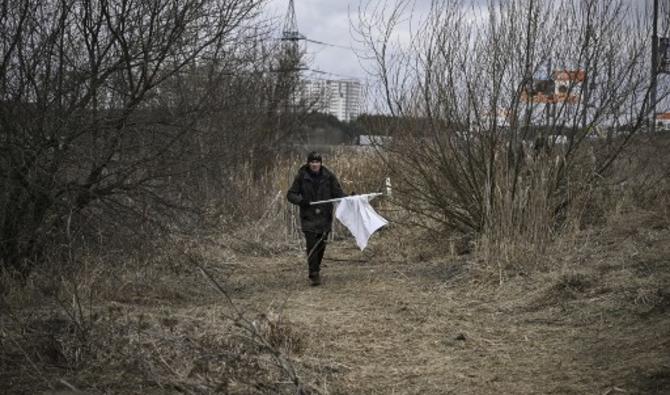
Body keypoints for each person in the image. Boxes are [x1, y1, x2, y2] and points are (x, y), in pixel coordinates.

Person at [287, 152, 345, 286]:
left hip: (325, 216)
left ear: (320, 163)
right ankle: (314, 274)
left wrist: (349, 198)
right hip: (309, 216)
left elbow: (337, 193)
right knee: (312, 245)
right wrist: (302, 201)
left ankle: (316, 268)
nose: (314, 164)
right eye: (312, 162)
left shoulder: (328, 176)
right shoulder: (302, 176)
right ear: (308, 163)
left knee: (321, 245)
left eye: (317, 162)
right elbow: (290, 194)